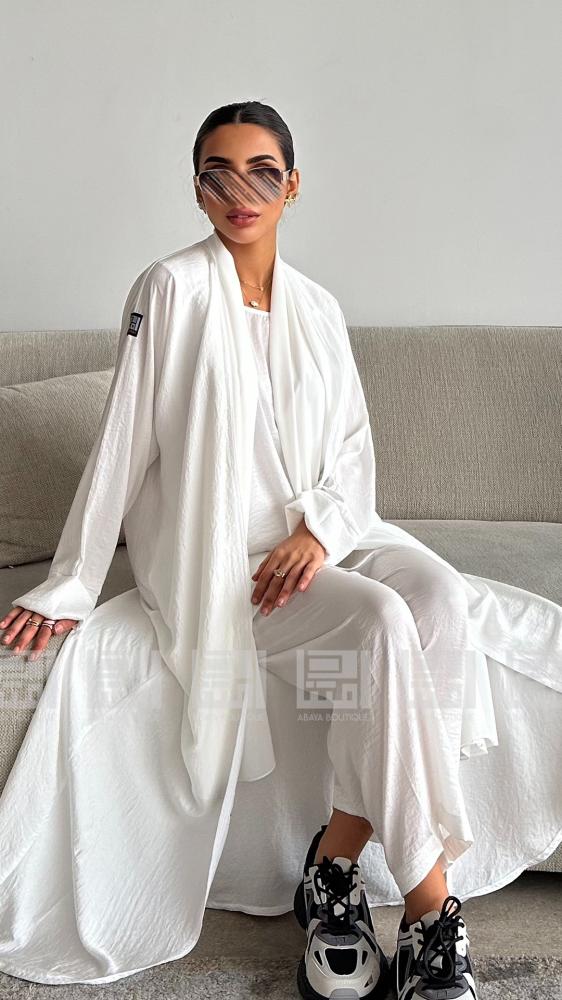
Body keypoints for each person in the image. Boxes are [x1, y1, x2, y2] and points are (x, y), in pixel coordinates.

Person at [1, 101, 561, 1000]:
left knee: (438, 595)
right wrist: (70, 582)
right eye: (218, 173)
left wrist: (320, 531)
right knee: (380, 622)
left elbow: (353, 454)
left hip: (325, 536)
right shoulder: (169, 289)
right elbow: (120, 445)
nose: (241, 191)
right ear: (197, 188)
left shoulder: (319, 308)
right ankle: (429, 908)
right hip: (229, 566)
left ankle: (334, 864)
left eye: (263, 171)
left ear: (293, 185)